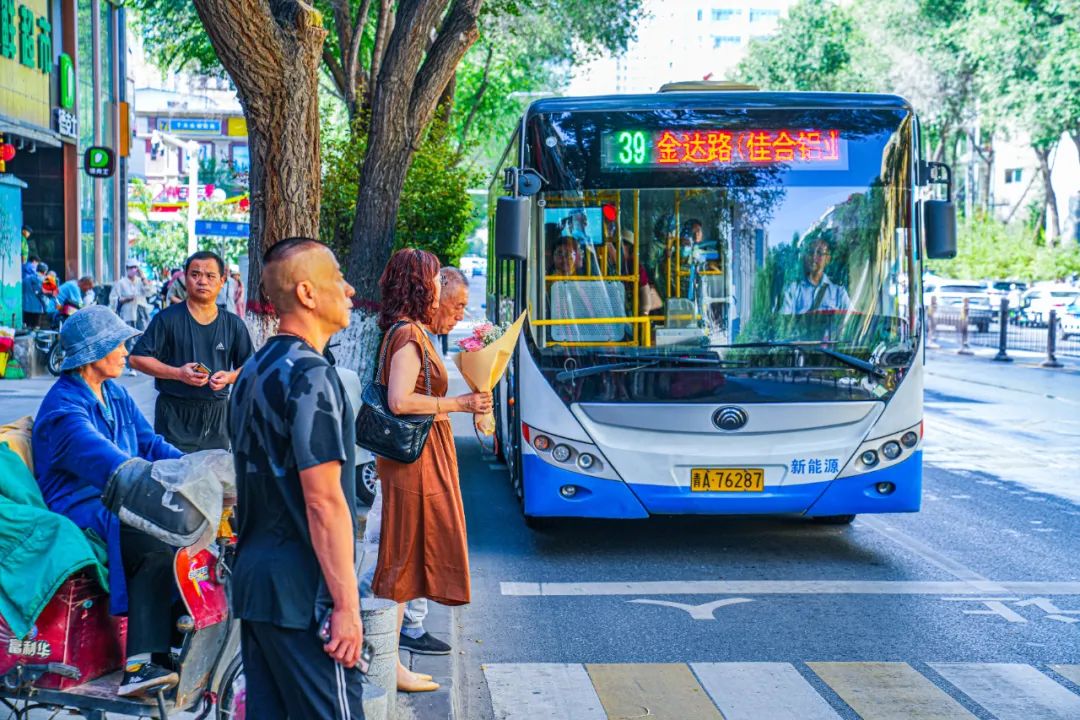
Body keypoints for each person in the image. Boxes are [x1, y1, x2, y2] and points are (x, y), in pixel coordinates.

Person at [228, 237, 365, 718]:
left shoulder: (251, 370)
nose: (348, 290)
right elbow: (323, 502)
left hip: (256, 585)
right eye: (337, 279)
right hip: (306, 594)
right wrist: (347, 606)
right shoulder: (311, 374)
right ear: (307, 293)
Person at [32, 306, 184, 697]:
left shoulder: (114, 391)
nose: (124, 350)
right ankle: (139, 663)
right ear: (93, 352)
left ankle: (171, 643)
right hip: (83, 506)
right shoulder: (64, 410)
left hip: (120, 492)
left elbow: (150, 444)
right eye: (117, 343)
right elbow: (111, 464)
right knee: (148, 533)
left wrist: (192, 469)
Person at [373, 248, 491, 693]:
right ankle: (387, 664)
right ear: (419, 285)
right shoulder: (407, 336)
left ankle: (390, 662)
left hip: (423, 455)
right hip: (412, 462)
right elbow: (400, 402)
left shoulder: (413, 332)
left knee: (411, 557)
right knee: (402, 558)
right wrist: (458, 404)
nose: (442, 287)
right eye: (436, 281)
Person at [129, 251, 253, 453]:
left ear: (222, 281)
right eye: (195, 275)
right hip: (174, 415)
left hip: (217, 418)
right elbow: (136, 359)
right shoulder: (166, 319)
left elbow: (252, 367)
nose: (202, 281)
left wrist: (230, 377)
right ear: (185, 279)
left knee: (215, 482)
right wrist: (177, 373)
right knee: (172, 480)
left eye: (210, 276)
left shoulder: (233, 325)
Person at [781, 236, 851, 315]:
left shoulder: (839, 293)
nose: (814, 257)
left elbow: (853, 318)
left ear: (827, 259)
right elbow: (784, 321)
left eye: (819, 253)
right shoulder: (793, 290)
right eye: (810, 252)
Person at [21, 260, 48, 329]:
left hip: (25, 307)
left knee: (26, 327)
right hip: (37, 308)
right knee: (36, 328)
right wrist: (45, 307)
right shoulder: (44, 281)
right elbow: (43, 295)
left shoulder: (26, 279)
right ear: (45, 272)